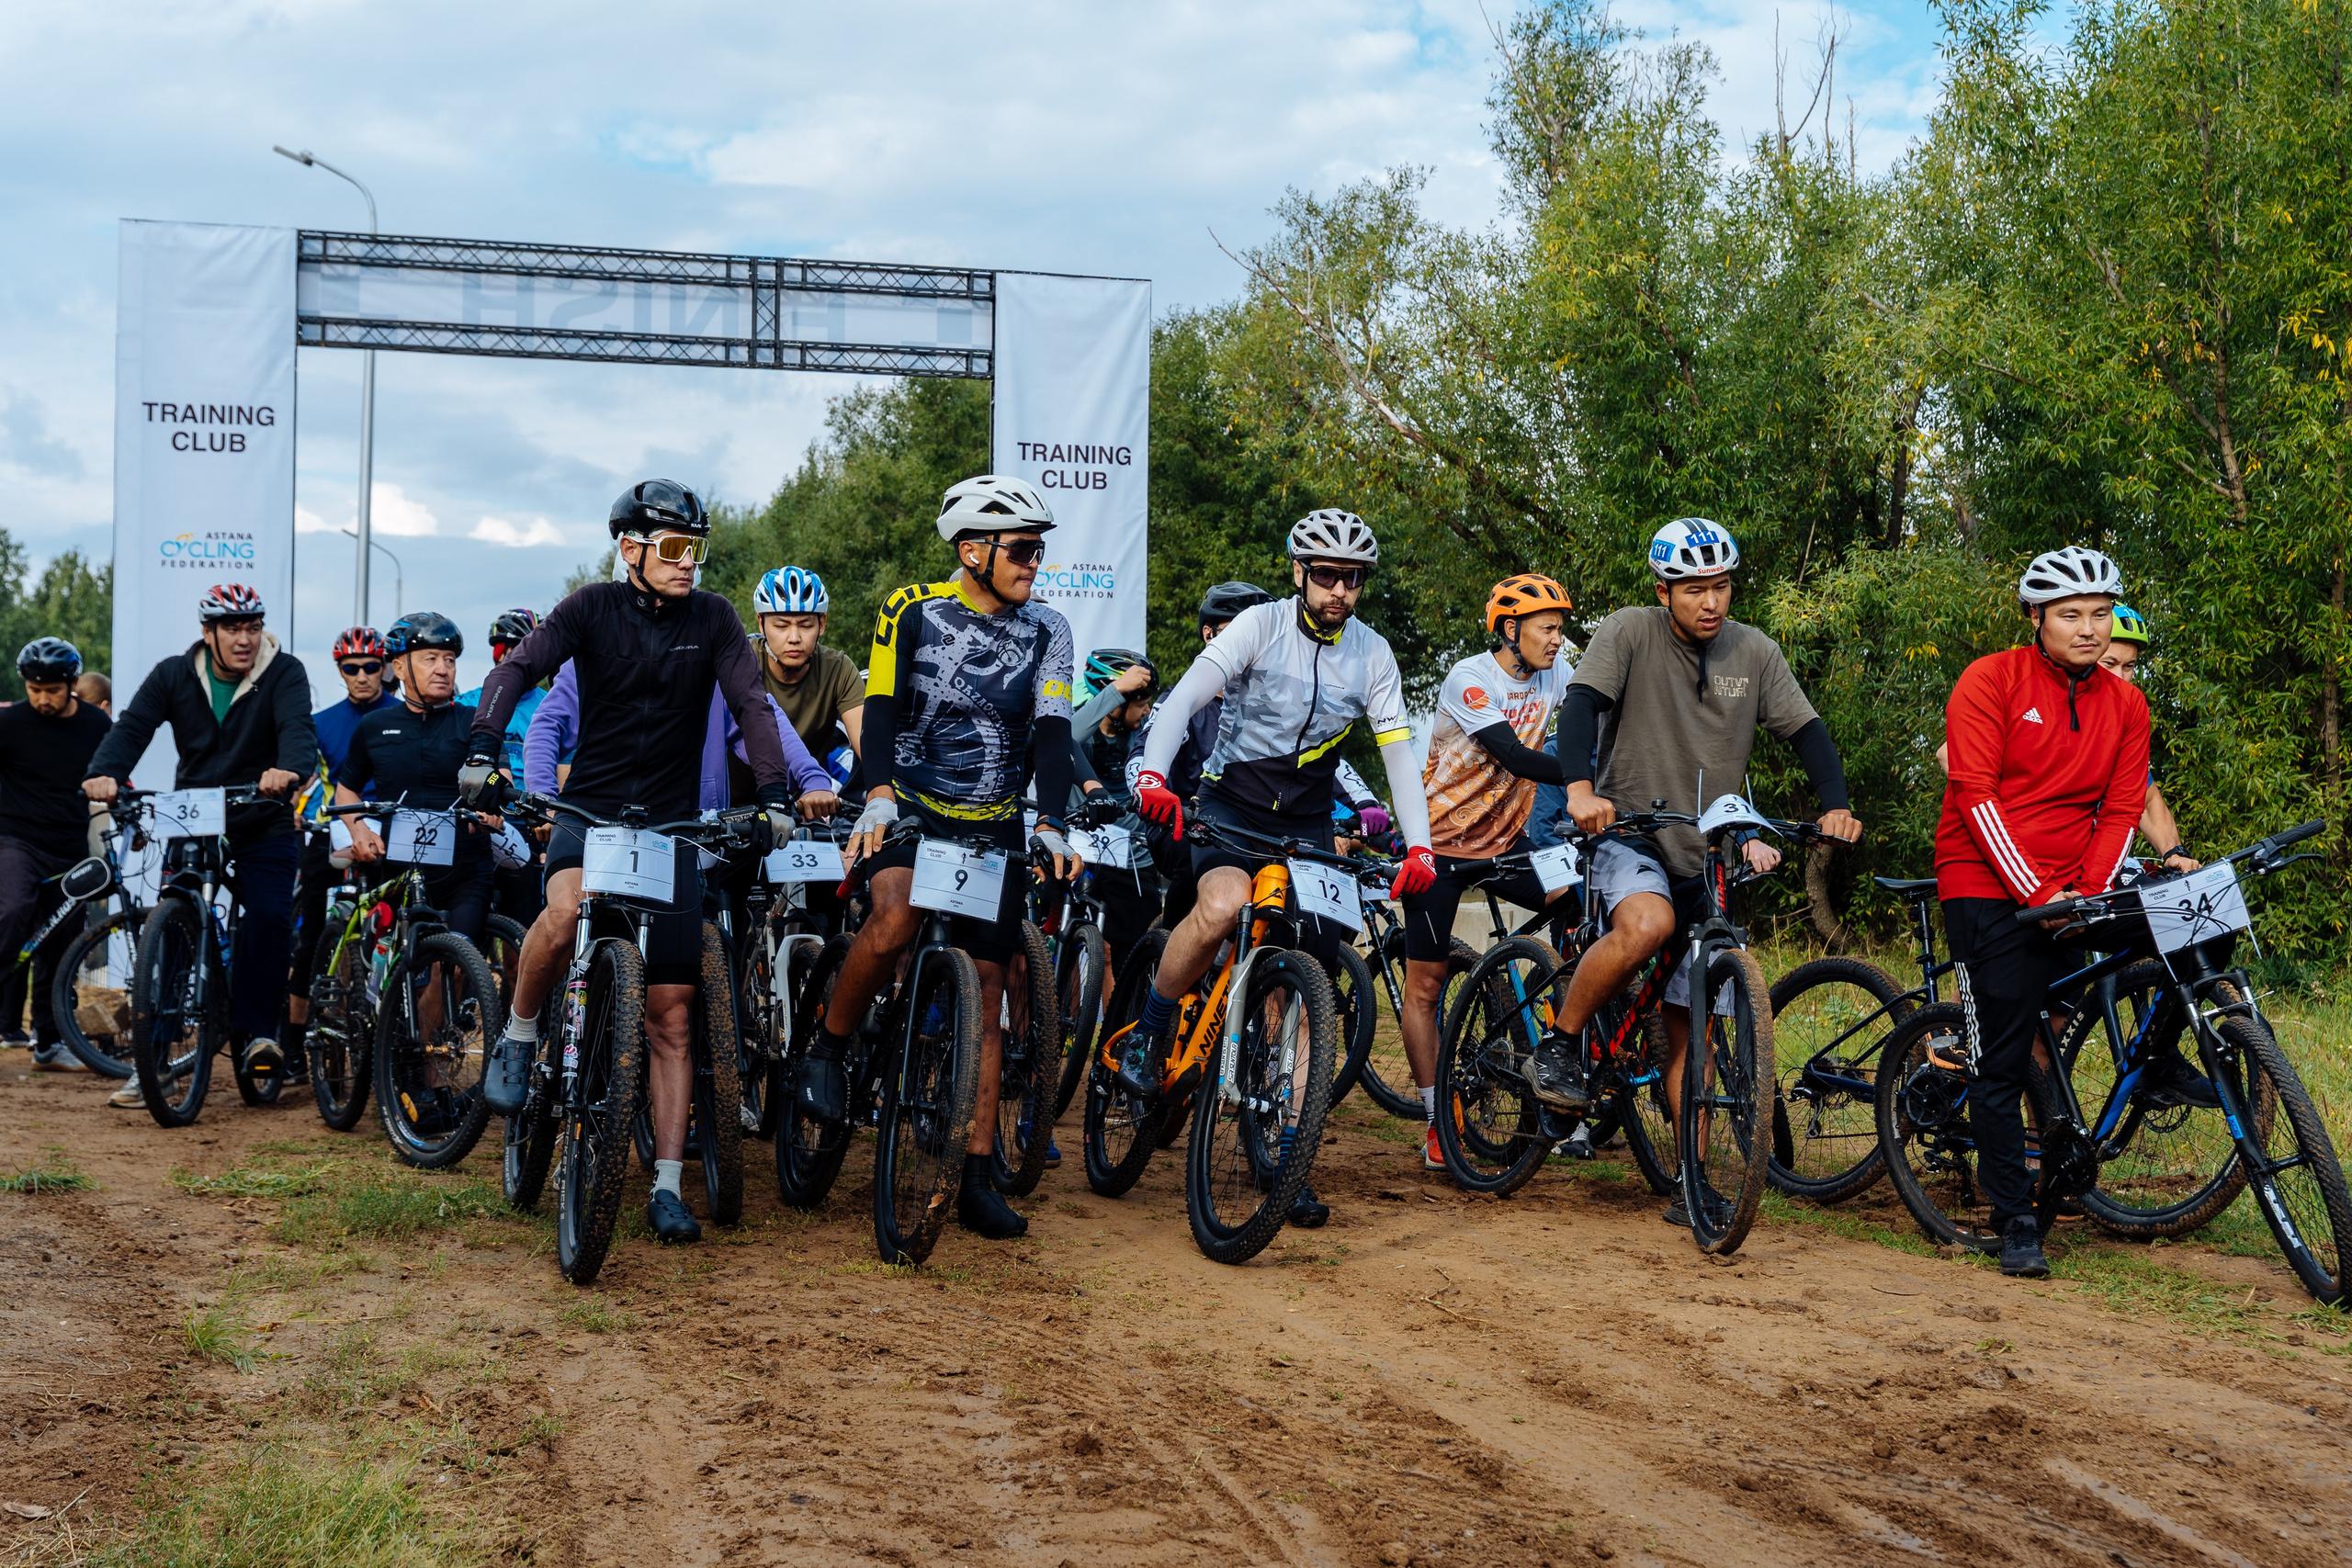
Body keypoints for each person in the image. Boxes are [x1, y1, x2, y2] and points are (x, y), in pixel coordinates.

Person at [467, 479, 822, 1247]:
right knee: (560, 915)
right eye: (670, 548)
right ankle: (522, 1032)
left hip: (670, 827)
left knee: (669, 1017)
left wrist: (772, 797)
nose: (686, 562)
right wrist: (480, 749)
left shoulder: (716, 617)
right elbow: (517, 671)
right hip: (587, 812)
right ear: (629, 548)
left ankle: (665, 1182)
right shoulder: (590, 608)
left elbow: (754, 704)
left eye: (695, 547)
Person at [789, 473, 1081, 1243]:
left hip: (993, 823)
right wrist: (878, 791)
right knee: (893, 917)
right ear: (973, 549)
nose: (1034, 562)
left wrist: (1052, 821)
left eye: (1038, 548)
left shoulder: (1050, 628)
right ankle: (830, 1043)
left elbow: (1053, 733)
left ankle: (976, 1173)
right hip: (909, 803)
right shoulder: (911, 608)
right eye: (1022, 549)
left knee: (987, 993)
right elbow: (879, 706)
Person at [1546, 518, 1861, 1226]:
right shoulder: (1629, 631)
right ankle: (1562, 1042)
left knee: (1697, 1035)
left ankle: (1691, 1182)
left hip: (1705, 852)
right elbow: (1582, 705)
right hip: (1630, 831)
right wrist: (1578, 789)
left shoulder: (1755, 651)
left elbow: (1807, 732)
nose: (1710, 601)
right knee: (1648, 923)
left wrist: (1835, 806)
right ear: (1664, 590)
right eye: (1693, 589)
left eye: (1720, 586)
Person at [1131, 511, 1439, 1229]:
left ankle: (1287, 1151)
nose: (1338, 590)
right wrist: (1152, 775)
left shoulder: (1373, 654)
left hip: (1303, 823)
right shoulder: (1259, 626)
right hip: (1231, 807)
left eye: (1351, 578)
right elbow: (1182, 701)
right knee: (1220, 906)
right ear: (1299, 571)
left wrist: (1419, 845)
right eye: (1326, 575)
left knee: (1307, 989)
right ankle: (1151, 1026)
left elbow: (1397, 755)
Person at [1939, 546, 2154, 1280]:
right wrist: (2037, 894)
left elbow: (2123, 807)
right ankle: (2014, 1218)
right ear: (2035, 616)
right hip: (1984, 879)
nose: (2089, 629)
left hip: (2068, 884)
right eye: (2070, 615)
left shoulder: (2126, 703)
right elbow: (1975, 796)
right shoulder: (1990, 680)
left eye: (2099, 614)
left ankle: (2164, 1069)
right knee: (2001, 1056)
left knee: (2056, 1025)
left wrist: (2087, 893)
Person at [85, 584, 316, 1106]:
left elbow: (297, 730)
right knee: (175, 923)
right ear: (208, 633)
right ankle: (158, 1060)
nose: (245, 638)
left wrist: (290, 770)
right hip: (194, 813)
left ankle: (258, 1034)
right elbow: (132, 728)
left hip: (262, 813)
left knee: (268, 915)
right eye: (232, 628)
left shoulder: (284, 672)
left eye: (252, 627)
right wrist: (104, 773)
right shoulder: (174, 673)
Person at [1400, 575, 1579, 1172]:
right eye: (1548, 628)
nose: (1559, 638)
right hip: (1444, 845)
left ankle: (1556, 1032)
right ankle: (1436, 1120)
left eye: (1561, 627)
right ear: (1510, 630)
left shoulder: (1558, 668)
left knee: (1577, 901)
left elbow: (1594, 717)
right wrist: (1583, 785)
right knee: (1425, 987)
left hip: (1509, 840)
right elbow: (1518, 756)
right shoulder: (1469, 678)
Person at [335, 614, 498, 944]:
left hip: (465, 871)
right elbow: (346, 788)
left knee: (450, 964)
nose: (443, 668)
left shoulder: (474, 720)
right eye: (430, 659)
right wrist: (359, 828)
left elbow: (498, 773)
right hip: (399, 870)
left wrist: (491, 801)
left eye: (449, 659)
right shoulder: (374, 726)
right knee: (400, 981)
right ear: (398, 667)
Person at [1125, 581, 1273, 930]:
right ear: (1209, 634)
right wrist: (1147, 790)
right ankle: (1171, 945)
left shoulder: (1271, 712)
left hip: (1251, 828)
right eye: (1235, 632)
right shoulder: (1184, 699)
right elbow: (1140, 754)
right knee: (1195, 850)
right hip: (1179, 822)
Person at [287, 626, 399, 1063]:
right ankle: (294, 1045)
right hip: (335, 831)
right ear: (340, 670)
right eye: (352, 669)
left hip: (391, 832)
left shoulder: (401, 713)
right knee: (310, 937)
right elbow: (307, 778)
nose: (363, 676)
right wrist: (296, 806)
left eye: (372, 666)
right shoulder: (321, 723)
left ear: (385, 667)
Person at [0, 639, 111, 1066]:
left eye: (52, 689)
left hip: (68, 846)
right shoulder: (9, 724)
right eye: (34, 689)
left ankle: (47, 1041)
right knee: (10, 910)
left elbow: (113, 771)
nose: (42, 698)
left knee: (60, 943)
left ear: (71, 684)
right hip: (16, 841)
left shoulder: (95, 727)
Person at [458, 608, 551, 928]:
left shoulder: (551, 704)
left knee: (524, 933)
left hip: (533, 817)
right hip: (480, 814)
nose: (514, 658)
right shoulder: (469, 702)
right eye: (505, 650)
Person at [752, 567, 865, 786]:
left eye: (805, 625)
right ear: (761, 624)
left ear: (821, 624)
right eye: (781, 626)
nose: (794, 638)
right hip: (738, 807)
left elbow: (868, 744)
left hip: (810, 802)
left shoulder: (838, 668)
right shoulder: (742, 662)